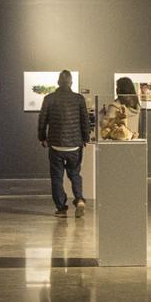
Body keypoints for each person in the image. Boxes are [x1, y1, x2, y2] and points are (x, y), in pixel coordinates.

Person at [37, 70, 92, 216]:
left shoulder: (49, 98)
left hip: (55, 145)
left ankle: (61, 209)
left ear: (58, 83)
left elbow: (42, 120)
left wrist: (42, 137)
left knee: (57, 177)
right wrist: (86, 138)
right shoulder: (79, 99)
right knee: (75, 174)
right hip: (74, 145)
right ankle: (79, 199)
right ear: (71, 83)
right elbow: (85, 120)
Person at [100, 75, 141, 141]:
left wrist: (101, 115)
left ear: (119, 89)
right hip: (133, 139)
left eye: (117, 87)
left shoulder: (116, 106)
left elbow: (105, 125)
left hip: (119, 140)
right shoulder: (136, 105)